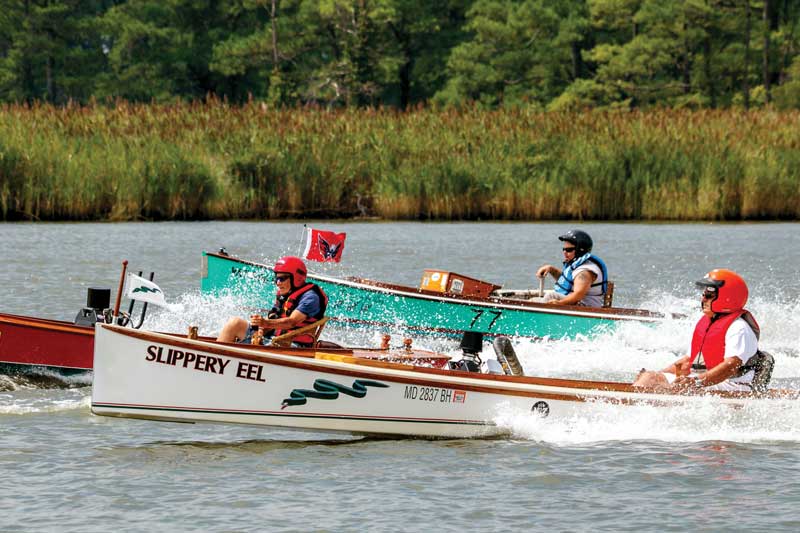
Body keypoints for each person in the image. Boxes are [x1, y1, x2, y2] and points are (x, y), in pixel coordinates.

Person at [633, 269, 771, 393]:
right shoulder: (707, 323)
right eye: (704, 294)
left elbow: (731, 366)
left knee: (657, 382)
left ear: (727, 298)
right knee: (650, 378)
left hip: (734, 387)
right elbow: (687, 362)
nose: (703, 299)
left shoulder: (739, 328)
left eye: (709, 295)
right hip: (707, 382)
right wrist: (657, 374)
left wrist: (696, 382)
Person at [217, 256, 328, 347]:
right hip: (272, 339)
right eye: (276, 278)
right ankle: (218, 358)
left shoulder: (311, 298)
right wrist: (260, 330)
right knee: (234, 323)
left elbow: (292, 322)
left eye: (282, 278)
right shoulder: (284, 294)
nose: (278, 283)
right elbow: (274, 318)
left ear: (296, 278)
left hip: (293, 346)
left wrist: (265, 323)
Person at [535, 229, 608, 307]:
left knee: (552, 296)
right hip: (578, 304)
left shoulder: (584, 272)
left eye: (569, 250)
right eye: (564, 249)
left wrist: (559, 303)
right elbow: (568, 282)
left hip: (586, 308)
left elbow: (578, 296)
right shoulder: (580, 266)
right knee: (534, 300)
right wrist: (551, 269)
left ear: (580, 250)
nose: (564, 252)